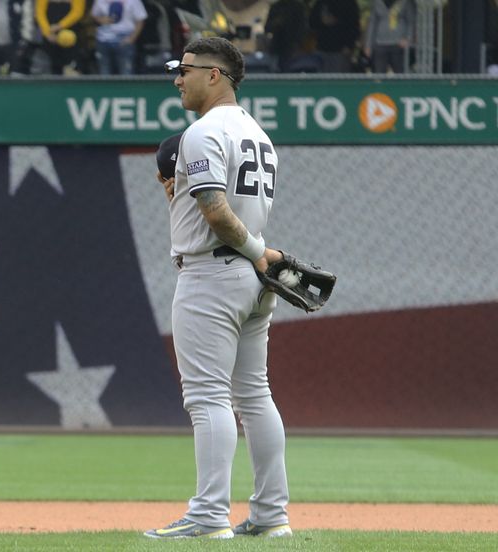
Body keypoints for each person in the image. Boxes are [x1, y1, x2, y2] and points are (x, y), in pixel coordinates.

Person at [144, 36, 291, 540]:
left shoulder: (202, 133)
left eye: (184, 69)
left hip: (216, 272)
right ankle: (272, 516)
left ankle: (209, 517)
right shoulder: (259, 134)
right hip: (253, 276)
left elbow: (216, 212)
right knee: (255, 395)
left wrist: (254, 251)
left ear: (215, 75)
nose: (176, 78)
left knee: (207, 397)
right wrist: (260, 257)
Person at [90, 0, 147, 75]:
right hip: (103, 39)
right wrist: (101, 19)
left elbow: (141, 19)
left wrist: (132, 38)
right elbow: (94, 14)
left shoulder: (134, 1)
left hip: (125, 38)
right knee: (104, 72)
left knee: (126, 72)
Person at [364, 0, 416, 73]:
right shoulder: (377, 2)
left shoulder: (405, 2)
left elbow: (411, 22)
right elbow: (372, 23)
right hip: (380, 43)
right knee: (379, 74)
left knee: (400, 74)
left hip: (399, 44)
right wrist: (368, 45)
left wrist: (408, 39)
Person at [309, 0, 360, 73]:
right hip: (321, 48)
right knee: (320, 78)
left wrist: (349, 45)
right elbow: (312, 22)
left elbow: (354, 26)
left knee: (338, 79)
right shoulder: (321, 2)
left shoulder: (349, 3)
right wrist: (321, 21)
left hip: (340, 50)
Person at [34, 0, 84, 74]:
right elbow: (39, 12)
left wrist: (59, 26)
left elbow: (77, 12)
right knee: (52, 66)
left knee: (71, 67)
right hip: (50, 35)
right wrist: (47, 33)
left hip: (70, 34)